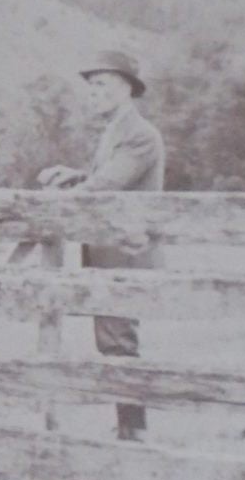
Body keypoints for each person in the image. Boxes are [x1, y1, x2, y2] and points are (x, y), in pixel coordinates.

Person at [36, 49, 166, 441]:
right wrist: (74, 176)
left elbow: (108, 186)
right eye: (90, 87)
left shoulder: (140, 135)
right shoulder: (115, 131)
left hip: (126, 254)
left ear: (126, 88)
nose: (93, 94)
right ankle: (129, 426)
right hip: (109, 254)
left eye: (101, 85)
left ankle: (133, 431)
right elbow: (102, 177)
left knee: (119, 344)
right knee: (111, 343)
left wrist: (64, 197)